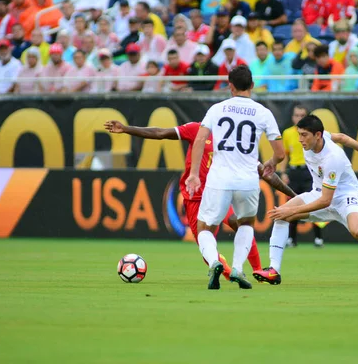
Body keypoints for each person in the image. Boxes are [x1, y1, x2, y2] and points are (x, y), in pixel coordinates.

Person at [104, 117, 293, 285]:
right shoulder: (196, 130)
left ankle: (256, 270)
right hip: (195, 197)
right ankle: (227, 271)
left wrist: (293, 194)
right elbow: (160, 132)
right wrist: (127, 129)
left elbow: (264, 171)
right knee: (211, 241)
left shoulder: (231, 141)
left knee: (238, 224)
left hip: (217, 193)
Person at [253, 115, 358, 287]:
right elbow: (342, 137)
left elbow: (326, 201)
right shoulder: (318, 139)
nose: (300, 139)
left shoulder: (333, 158)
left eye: (304, 135)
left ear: (317, 135)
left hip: (345, 198)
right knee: (280, 216)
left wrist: (292, 211)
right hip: (318, 193)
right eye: (299, 134)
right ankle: (274, 270)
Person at [184, 65, 286, 290]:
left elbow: (200, 140)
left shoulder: (217, 109)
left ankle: (213, 262)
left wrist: (193, 175)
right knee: (246, 223)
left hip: (219, 179)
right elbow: (280, 153)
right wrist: (271, 163)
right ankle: (238, 268)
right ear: (252, 85)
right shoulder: (263, 112)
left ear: (230, 86)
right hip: (248, 180)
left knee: (205, 228)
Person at [279, 105, 325, 247]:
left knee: (315, 203)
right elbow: (285, 155)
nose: (299, 118)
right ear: (292, 117)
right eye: (296, 115)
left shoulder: (312, 133)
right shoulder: (287, 133)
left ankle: (318, 238)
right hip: (294, 171)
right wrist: (283, 172)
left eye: (302, 115)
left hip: (309, 171)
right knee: (293, 203)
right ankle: (292, 239)